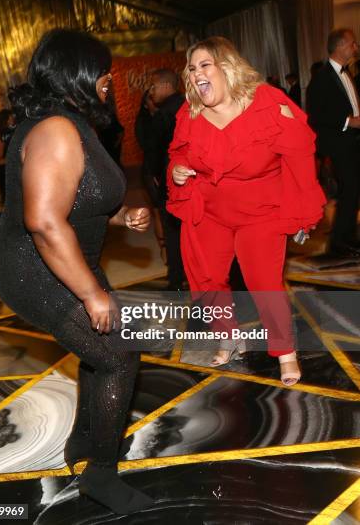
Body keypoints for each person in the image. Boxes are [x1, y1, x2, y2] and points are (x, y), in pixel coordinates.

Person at [0, 29, 154, 515]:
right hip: (34, 268)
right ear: (77, 72)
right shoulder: (56, 129)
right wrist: (90, 293)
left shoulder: (68, 123)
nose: (109, 78)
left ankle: (85, 444)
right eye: (102, 69)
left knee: (99, 350)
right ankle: (100, 477)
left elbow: (74, 199)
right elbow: (41, 221)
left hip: (60, 260)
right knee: (118, 354)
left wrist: (120, 216)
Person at [166, 36, 326, 385]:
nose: (196, 75)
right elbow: (178, 154)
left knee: (264, 281)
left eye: (204, 65)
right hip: (210, 210)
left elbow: (299, 157)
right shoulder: (190, 113)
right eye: (192, 69)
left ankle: (285, 351)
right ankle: (229, 334)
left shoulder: (268, 103)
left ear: (226, 67)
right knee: (206, 279)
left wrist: (303, 211)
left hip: (261, 211)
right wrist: (177, 171)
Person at [306, 28, 360, 257]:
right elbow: (316, 115)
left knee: (353, 191)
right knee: (349, 190)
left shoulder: (347, 74)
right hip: (339, 144)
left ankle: (346, 237)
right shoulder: (321, 78)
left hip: (353, 142)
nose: (355, 47)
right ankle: (339, 241)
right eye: (352, 44)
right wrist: (350, 121)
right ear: (340, 47)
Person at [148, 69, 186, 290]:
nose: (152, 92)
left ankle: (175, 279)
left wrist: (156, 176)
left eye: (153, 87)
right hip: (191, 180)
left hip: (171, 182)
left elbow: (156, 152)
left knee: (172, 233)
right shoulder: (189, 107)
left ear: (165, 86)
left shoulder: (164, 114)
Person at [135, 89, 166, 262]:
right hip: (151, 171)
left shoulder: (164, 117)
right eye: (150, 98)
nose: (154, 100)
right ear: (145, 104)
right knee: (158, 211)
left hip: (164, 169)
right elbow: (148, 148)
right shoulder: (145, 122)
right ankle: (164, 249)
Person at [0, 109, 16, 201]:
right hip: (5, 172)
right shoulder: (0, 137)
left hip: (10, 170)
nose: (13, 119)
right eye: (11, 118)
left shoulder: (9, 133)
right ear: (5, 120)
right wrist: (14, 158)